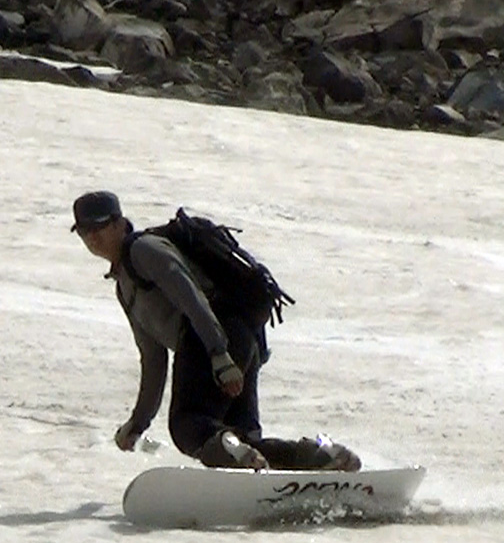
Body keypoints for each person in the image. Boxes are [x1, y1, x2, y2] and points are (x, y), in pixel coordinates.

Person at [71, 189, 361, 471]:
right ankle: (320, 455)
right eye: (84, 231)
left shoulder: (144, 250)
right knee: (244, 440)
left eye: (100, 226)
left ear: (120, 223)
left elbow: (191, 296)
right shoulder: (125, 284)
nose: (93, 237)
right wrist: (138, 423)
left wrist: (219, 354)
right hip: (238, 339)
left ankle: (237, 450)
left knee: (188, 424)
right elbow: (153, 358)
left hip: (211, 338)